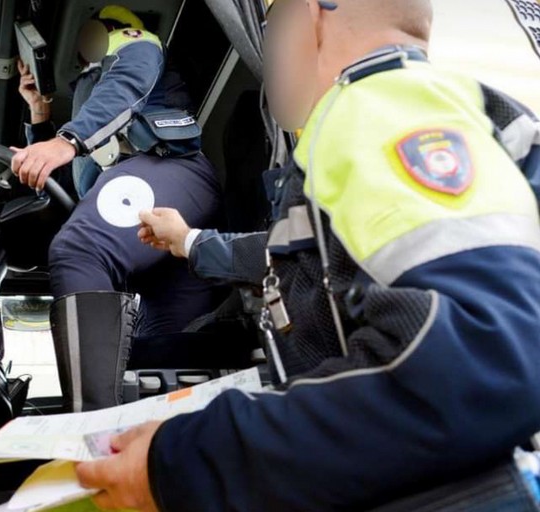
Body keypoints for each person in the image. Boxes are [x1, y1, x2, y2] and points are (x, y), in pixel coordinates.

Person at [73, 0, 540, 510]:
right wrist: (187, 240)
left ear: (313, 13)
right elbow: (293, 260)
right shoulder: (390, 119)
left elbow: (478, 362)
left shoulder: (383, 105)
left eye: (272, 24)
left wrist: (186, 460)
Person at [10, 5, 224, 413]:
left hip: (171, 170)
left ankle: (90, 425)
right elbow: (70, 181)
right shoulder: (88, 91)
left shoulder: (133, 44)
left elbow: (127, 85)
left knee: (78, 251)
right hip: (156, 237)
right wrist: (41, 115)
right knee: (156, 353)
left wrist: (66, 140)